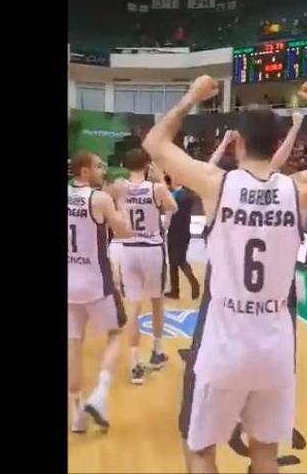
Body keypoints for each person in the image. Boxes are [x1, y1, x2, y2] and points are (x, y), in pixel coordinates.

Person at [142, 75, 307, 473]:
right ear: (278, 143)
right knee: (265, 453)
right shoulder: (300, 187)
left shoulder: (217, 184)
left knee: (200, 452)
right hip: (275, 349)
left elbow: (154, 144)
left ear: (237, 143)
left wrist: (191, 98)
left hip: (223, 348)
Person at [67, 150, 133, 433]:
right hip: (96, 282)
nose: (102, 169)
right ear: (84, 171)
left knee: (74, 346)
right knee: (117, 332)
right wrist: (122, 200)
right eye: (97, 165)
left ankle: (76, 416)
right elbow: (125, 232)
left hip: (69, 281)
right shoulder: (101, 199)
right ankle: (100, 394)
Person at [115, 148, 178, 385]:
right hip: (152, 249)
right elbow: (173, 207)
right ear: (148, 164)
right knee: (157, 302)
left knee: (133, 308)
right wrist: (160, 179)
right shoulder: (156, 188)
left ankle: (134, 365)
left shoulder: (120, 188)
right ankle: (157, 351)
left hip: (129, 249)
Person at [208, 111, 304, 172]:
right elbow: (276, 162)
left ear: (242, 144)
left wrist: (224, 143)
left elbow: (208, 169)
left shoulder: (227, 181)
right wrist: (295, 127)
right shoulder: (281, 183)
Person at [163, 174, 201, 301]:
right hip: (185, 231)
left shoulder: (173, 196)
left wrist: (164, 228)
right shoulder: (189, 196)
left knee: (177, 262)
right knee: (179, 261)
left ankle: (182, 287)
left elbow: (168, 215)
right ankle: (177, 289)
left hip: (174, 232)